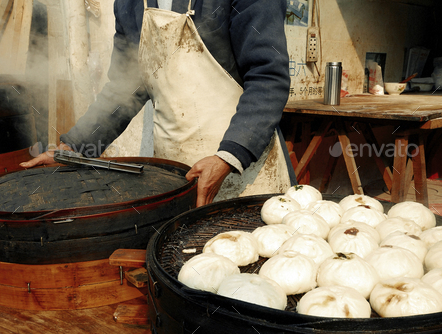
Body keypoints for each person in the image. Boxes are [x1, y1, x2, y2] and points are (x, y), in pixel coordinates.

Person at [21, 0, 296, 206]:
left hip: (244, 171)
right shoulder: (130, 4)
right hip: (176, 177)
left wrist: (228, 157)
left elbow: (267, 77)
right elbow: (124, 88)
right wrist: (73, 147)